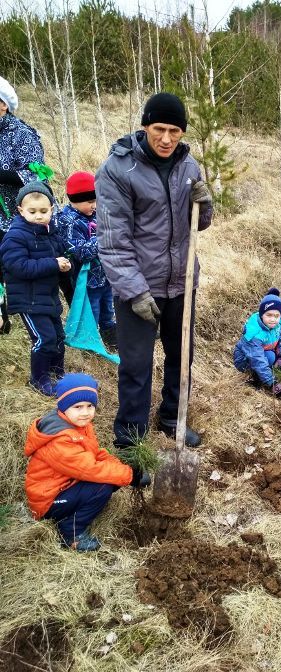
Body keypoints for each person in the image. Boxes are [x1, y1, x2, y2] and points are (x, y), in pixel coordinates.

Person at [96, 92, 212, 449]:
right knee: (136, 364)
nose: (166, 139)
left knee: (181, 356)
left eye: (174, 131)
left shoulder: (189, 166)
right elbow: (114, 241)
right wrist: (135, 291)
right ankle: (131, 438)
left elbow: (199, 224)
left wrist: (205, 205)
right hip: (138, 285)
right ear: (145, 125)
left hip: (181, 282)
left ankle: (172, 418)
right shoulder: (118, 170)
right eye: (159, 128)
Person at [24, 373, 148, 552]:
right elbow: (90, 469)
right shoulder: (60, 440)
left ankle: (76, 512)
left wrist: (125, 469)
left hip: (65, 485)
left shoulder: (79, 425)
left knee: (111, 476)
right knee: (102, 486)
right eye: (78, 406)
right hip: (48, 501)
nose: (85, 412)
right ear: (64, 407)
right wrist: (129, 476)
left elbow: (95, 454)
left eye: (90, 406)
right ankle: (70, 532)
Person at [0, 183, 71, 395]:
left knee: (58, 336)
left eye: (43, 211)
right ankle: (38, 378)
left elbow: (60, 258)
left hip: (47, 297)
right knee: (44, 339)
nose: (38, 216)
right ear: (21, 210)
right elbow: (18, 266)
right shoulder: (15, 236)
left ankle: (57, 373)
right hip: (28, 300)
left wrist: (66, 265)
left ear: (51, 209)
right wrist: (53, 263)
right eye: (32, 212)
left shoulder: (50, 234)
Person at [0, 76, 45, 334]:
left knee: (16, 268)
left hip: (17, 218)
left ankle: (41, 327)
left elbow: (35, 175)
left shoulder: (22, 134)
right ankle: (2, 318)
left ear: (3, 105)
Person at [58, 171, 117, 348]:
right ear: (74, 200)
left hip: (105, 275)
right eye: (90, 202)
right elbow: (80, 252)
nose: (94, 205)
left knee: (108, 306)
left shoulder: (96, 215)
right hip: (87, 280)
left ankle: (109, 334)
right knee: (92, 310)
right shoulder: (68, 221)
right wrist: (103, 237)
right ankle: (89, 340)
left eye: (96, 200)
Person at [234, 288, 281, 396]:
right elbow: (257, 359)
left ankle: (267, 372)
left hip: (263, 352)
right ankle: (255, 378)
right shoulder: (254, 334)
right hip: (245, 361)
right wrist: (272, 383)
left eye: (276, 316)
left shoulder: (277, 326)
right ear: (261, 314)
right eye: (269, 315)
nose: (273, 319)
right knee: (269, 357)